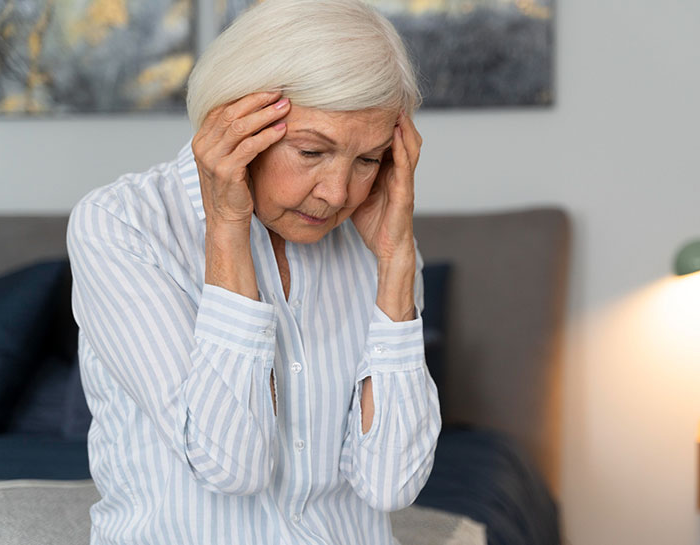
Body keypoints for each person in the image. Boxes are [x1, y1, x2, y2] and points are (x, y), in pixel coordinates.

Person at [66, 0, 441, 543]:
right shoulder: (121, 227)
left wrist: (396, 264)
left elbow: (391, 486)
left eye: (368, 160)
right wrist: (227, 229)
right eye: (312, 151)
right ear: (235, 120)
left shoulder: (378, 247)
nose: (337, 193)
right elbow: (229, 465)